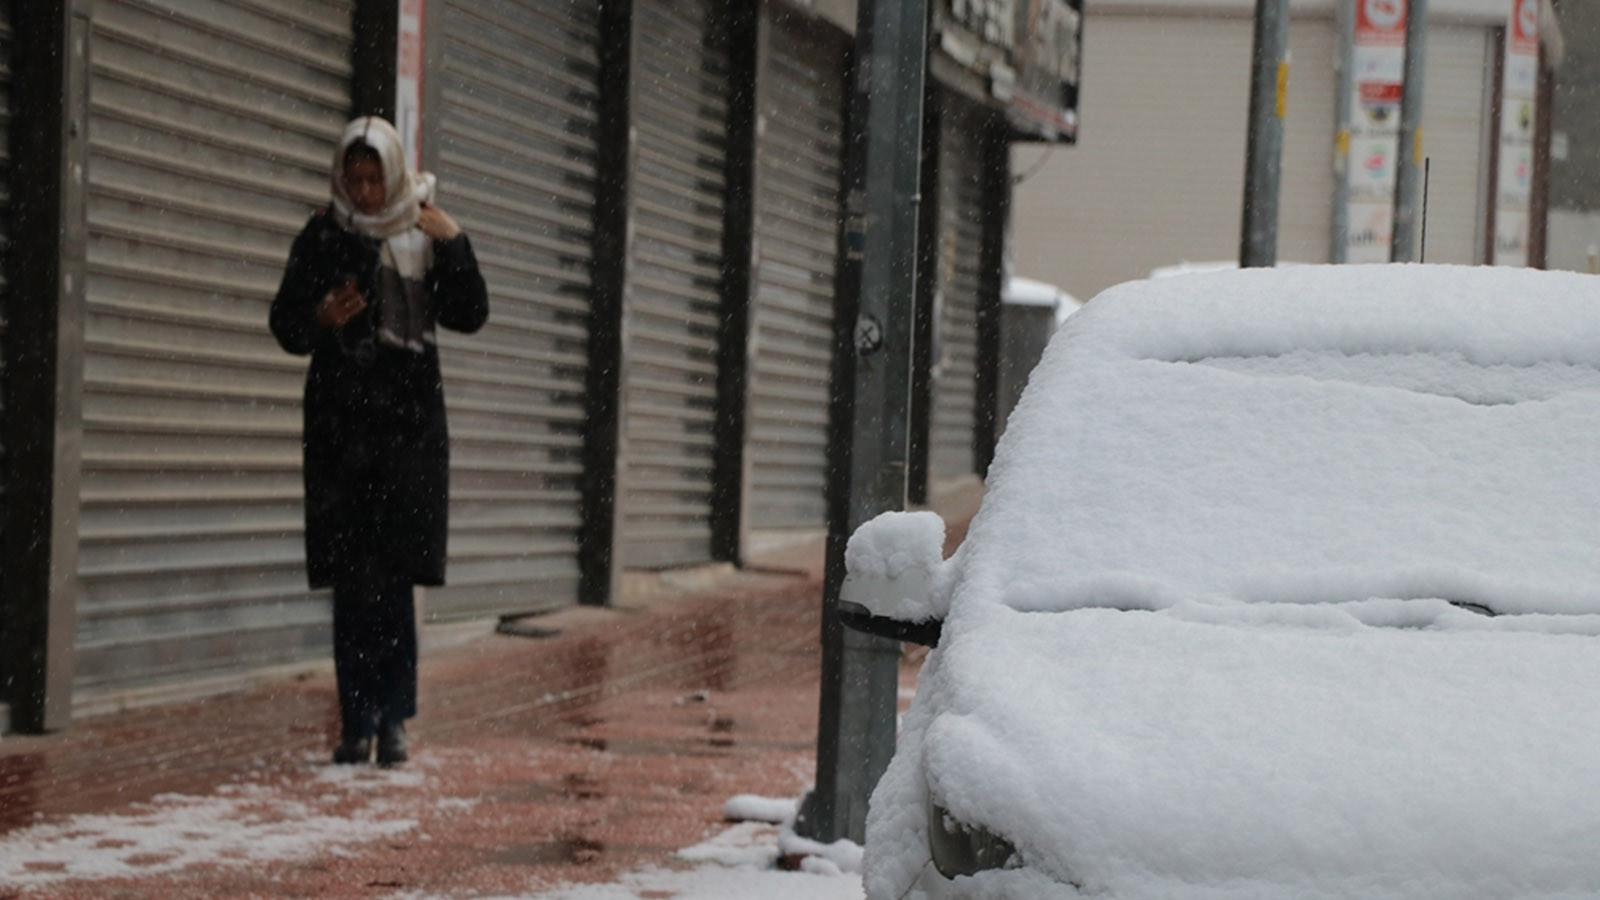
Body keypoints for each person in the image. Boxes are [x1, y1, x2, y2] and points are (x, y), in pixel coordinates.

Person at [270, 117, 488, 766]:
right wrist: (320, 317)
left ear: (394, 174)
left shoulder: (423, 230)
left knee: (393, 580)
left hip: (408, 432)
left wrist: (456, 243)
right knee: (352, 582)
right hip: (342, 430)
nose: (365, 192)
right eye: (355, 179)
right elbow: (284, 323)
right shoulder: (323, 235)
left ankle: (394, 721)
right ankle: (355, 723)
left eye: (375, 178)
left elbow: (469, 313)